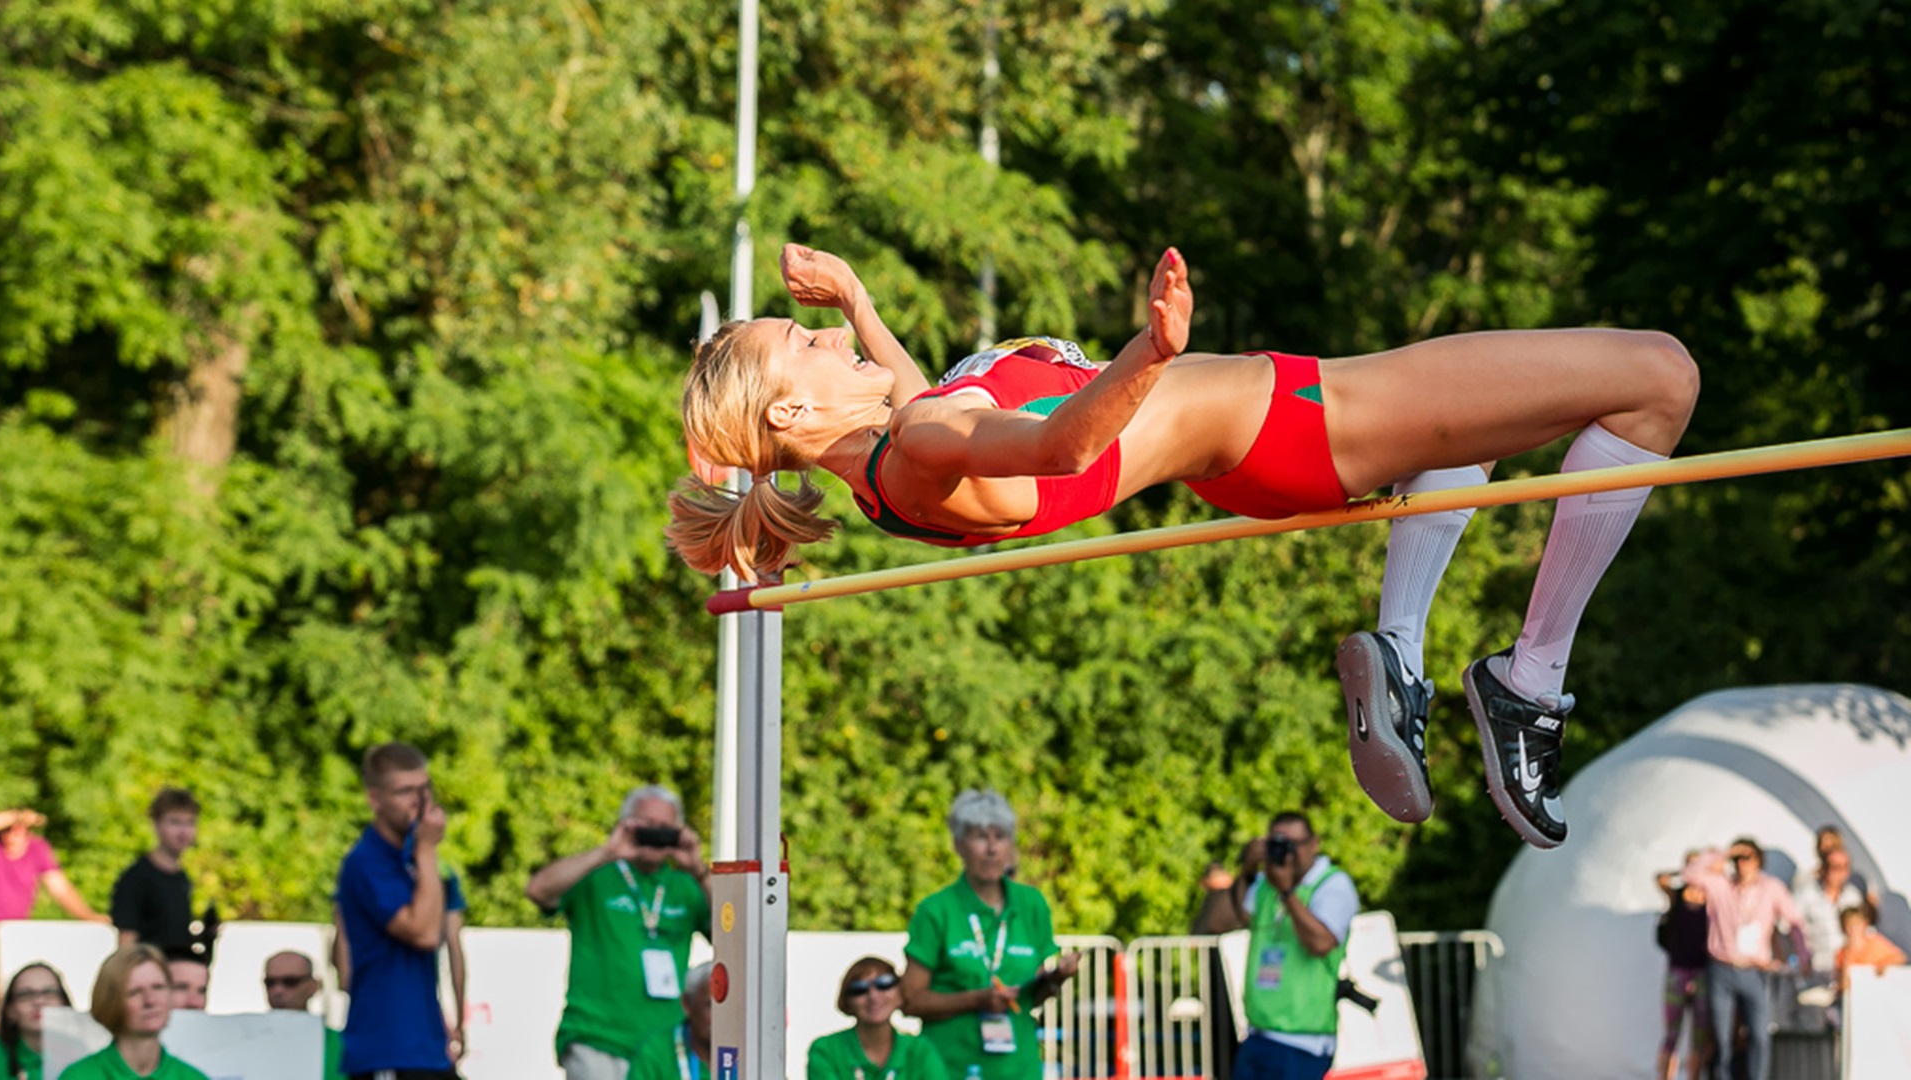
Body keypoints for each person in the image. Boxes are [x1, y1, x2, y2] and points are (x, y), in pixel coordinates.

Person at [668, 244, 1700, 850]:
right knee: (1659, 377)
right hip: (1301, 419)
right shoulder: (924, 444)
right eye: (802, 342)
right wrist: (1150, 352)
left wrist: (858, 302)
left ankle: (1403, 648)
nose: (826, 337)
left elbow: (919, 401)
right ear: (793, 410)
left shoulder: (888, 471)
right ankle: (1527, 681)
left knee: (1490, 426)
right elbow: (1059, 447)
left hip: (1263, 439)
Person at [524, 784, 712, 1080]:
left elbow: (734, 933)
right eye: (646, 825)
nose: (655, 834)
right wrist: (608, 852)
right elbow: (538, 890)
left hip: (664, 1045)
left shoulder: (685, 886)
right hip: (598, 1038)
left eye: (665, 828)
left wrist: (698, 868)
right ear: (626, 824)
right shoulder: (597, 875)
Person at [899, 789, 1080, 1080]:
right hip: (949, 1066)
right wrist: (976, 999)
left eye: (1001, 836)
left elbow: (1029, 998)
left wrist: (1056, 978)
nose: (992, 848)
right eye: (981, 837)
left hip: (1016, 1067)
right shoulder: (936, 910)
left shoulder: (1031, 904)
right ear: (959, 845)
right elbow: (910, 1001)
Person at [1198, 812, 1358, 1080]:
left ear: (1314, 844)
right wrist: (1247, 870)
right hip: (1257, 1033)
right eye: (1279, 843)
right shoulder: (1265, 883)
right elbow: (1219, 922)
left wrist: (1287, 892)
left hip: (1303, 1040)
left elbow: (1321, 944)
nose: (1288, 852)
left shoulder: (1332, 884)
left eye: (1295, 844)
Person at [333, 742, 458, 1080]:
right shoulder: (366, 861)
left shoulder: (409, 858)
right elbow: (424, 934)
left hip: (425, 1044)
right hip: (386, 1045)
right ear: (375, 799)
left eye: (424, 788)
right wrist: (428, 850)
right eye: (404, 791)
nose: (419, 801)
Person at [1683, 840, 1808, 1080]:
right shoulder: (1721, 886)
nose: (1742, 863)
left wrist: (1803, 956)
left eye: (1747, 857)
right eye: (1738, 858)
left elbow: (1795, 921)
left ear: (1758, 860)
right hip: (1721, 969)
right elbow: (1690, 874)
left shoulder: (1771, 888)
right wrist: (1725, 852)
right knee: (1722, 1037)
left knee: (1759, 1035)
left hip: (1754, 971)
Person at [58, 945, 208, 1080]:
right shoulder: (78, 1076)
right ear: (110, 1001)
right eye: (134, 992)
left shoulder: (193, 1077)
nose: (150, 1000)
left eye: (158, 987)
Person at [808, 956, 949, 1080]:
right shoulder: (825, 1050)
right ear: (847, 1002)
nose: (873, 996)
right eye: (860, 989)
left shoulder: (920, 1051)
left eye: (884, 984)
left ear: (900, 994)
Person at [109, 790, 199, 956]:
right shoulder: (136, 878)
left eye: (190, 823)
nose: (183, 831)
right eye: (174, 822)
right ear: (156, 824)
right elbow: (126, 944)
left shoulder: (182, 878)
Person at [0, 808, 107, 926]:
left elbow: (61, 890)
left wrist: (89, 916)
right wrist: (18, 816)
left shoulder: (36, 848)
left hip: (13, 929)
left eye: (21, 827)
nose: (15, 832)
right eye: (8, 829)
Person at [1652, 864, 1710, 1080]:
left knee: (1699, 1037)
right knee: (1671, 1034)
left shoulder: (1712, 899)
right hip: (1677, 973)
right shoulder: (1677, 896)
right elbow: (1660, 879)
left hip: (1702, 973)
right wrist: (1682, 872)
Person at [622, 963, 711, 1080]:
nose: (721, 1018)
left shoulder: (736, 1053)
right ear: (687, 1004)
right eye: (710, 1006)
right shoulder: (656, 1052)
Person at [264, 950, 344, 1080]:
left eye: (290, 982)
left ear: (314, 986)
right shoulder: (247, 1041)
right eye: (270, 983)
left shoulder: (340, 1044)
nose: (278, 990)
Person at [1792, 844, 1861, 984]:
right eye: (1834, 867)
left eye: (1843, 867)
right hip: (1815, 972)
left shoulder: (1853, 897)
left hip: (1846, 973)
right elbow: (1792, 927)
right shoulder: (1806, 894)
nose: (1838, 872)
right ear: (1823, 868)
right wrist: (1803, 957)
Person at [0, 962, 69, 1079]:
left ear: (64, 1003)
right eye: (26, 994)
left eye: (49, 992)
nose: (39, 1001)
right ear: (9, 1010)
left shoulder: (87, 1056)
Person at [1835, 899, 1906, 992]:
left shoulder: (1875, 943)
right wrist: (1847, 956)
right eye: (1849, 925)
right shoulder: (1842, 953)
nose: (1853, 929)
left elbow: (1901, 958)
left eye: (1856, 924)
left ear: (1865, 924)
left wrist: (1884, 964)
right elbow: (1844, 986)